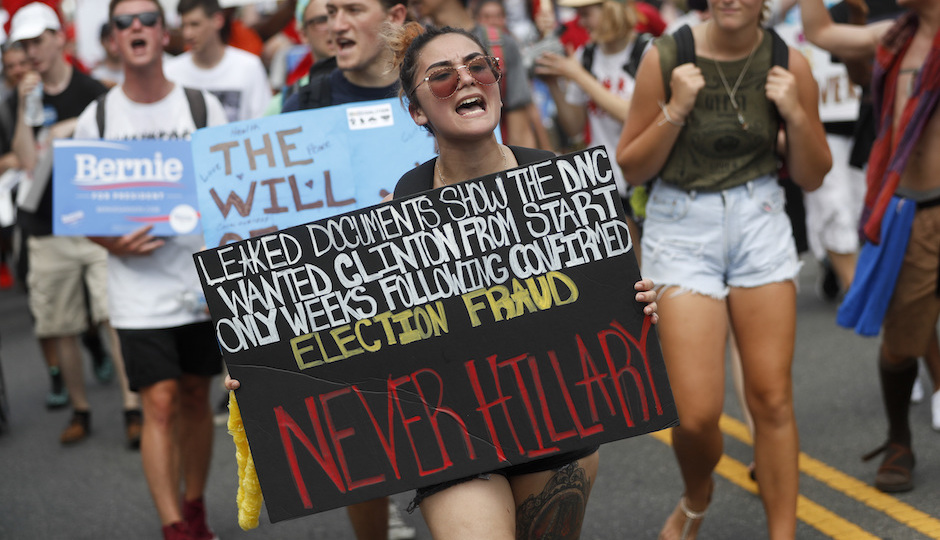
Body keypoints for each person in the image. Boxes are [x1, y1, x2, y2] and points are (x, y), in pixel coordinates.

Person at [616, 0, 832, 536]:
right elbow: (631, 164)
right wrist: (676, 108)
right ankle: (697, 494)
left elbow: (811, 175)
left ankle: (782, 533)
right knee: (696, 415)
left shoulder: (789, 62)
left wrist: (798, 116)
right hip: (681, 225)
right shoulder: (666, 57)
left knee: (771, 398)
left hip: (759, 220)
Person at [74, 0, 228, 538]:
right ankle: (174, 528)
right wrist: (109, 238)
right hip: (136, 290)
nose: (135, 27)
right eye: (123, 21)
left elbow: (230, 194)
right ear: (113, 40)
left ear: (165, 34)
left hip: (199, 283)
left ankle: (194, 506)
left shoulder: (203, 107)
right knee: (157, 402)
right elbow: (79, 211)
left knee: (192, 396)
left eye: (146, 18)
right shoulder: (96, 117)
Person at [797, 0, 940, 493]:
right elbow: (818, 31)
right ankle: (899, 437)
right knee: (902, 339)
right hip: (912, 211)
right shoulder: (895, 36)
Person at [8, 1, 143, 446]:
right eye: (23, 45)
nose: (31, 53)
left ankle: (131, 407)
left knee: (112, 317)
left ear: (60, 38)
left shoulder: (92, 90)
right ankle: (80, 410)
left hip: (95, 223)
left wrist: (71, 125)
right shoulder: (20, 97)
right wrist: (30, 110)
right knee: (61, 324)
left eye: (37, 41)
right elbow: (26, 161)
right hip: (46, 228)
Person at [534, 0, 650, 260]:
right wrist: (554, 84)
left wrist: (578, 76)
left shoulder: (647, 50)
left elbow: (634, 115)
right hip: (607, 180)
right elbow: (575, 127)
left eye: (586, 14)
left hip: (645, 178)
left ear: (611, 9)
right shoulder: (586, 55)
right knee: (631, 266)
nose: (581, 23)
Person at [407, 0, 539, 146]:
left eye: (477, 66)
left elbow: (520, 133)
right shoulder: (412, 53)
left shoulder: (500, 44)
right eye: (441, 75)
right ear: (417, 112)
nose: (466, 79)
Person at [165, 0, 272, 122]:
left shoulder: (249, 67)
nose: (187, 34)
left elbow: (263, 122)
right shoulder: (170, 71)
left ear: (218, 20)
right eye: (183, 26)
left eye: (195, 24)